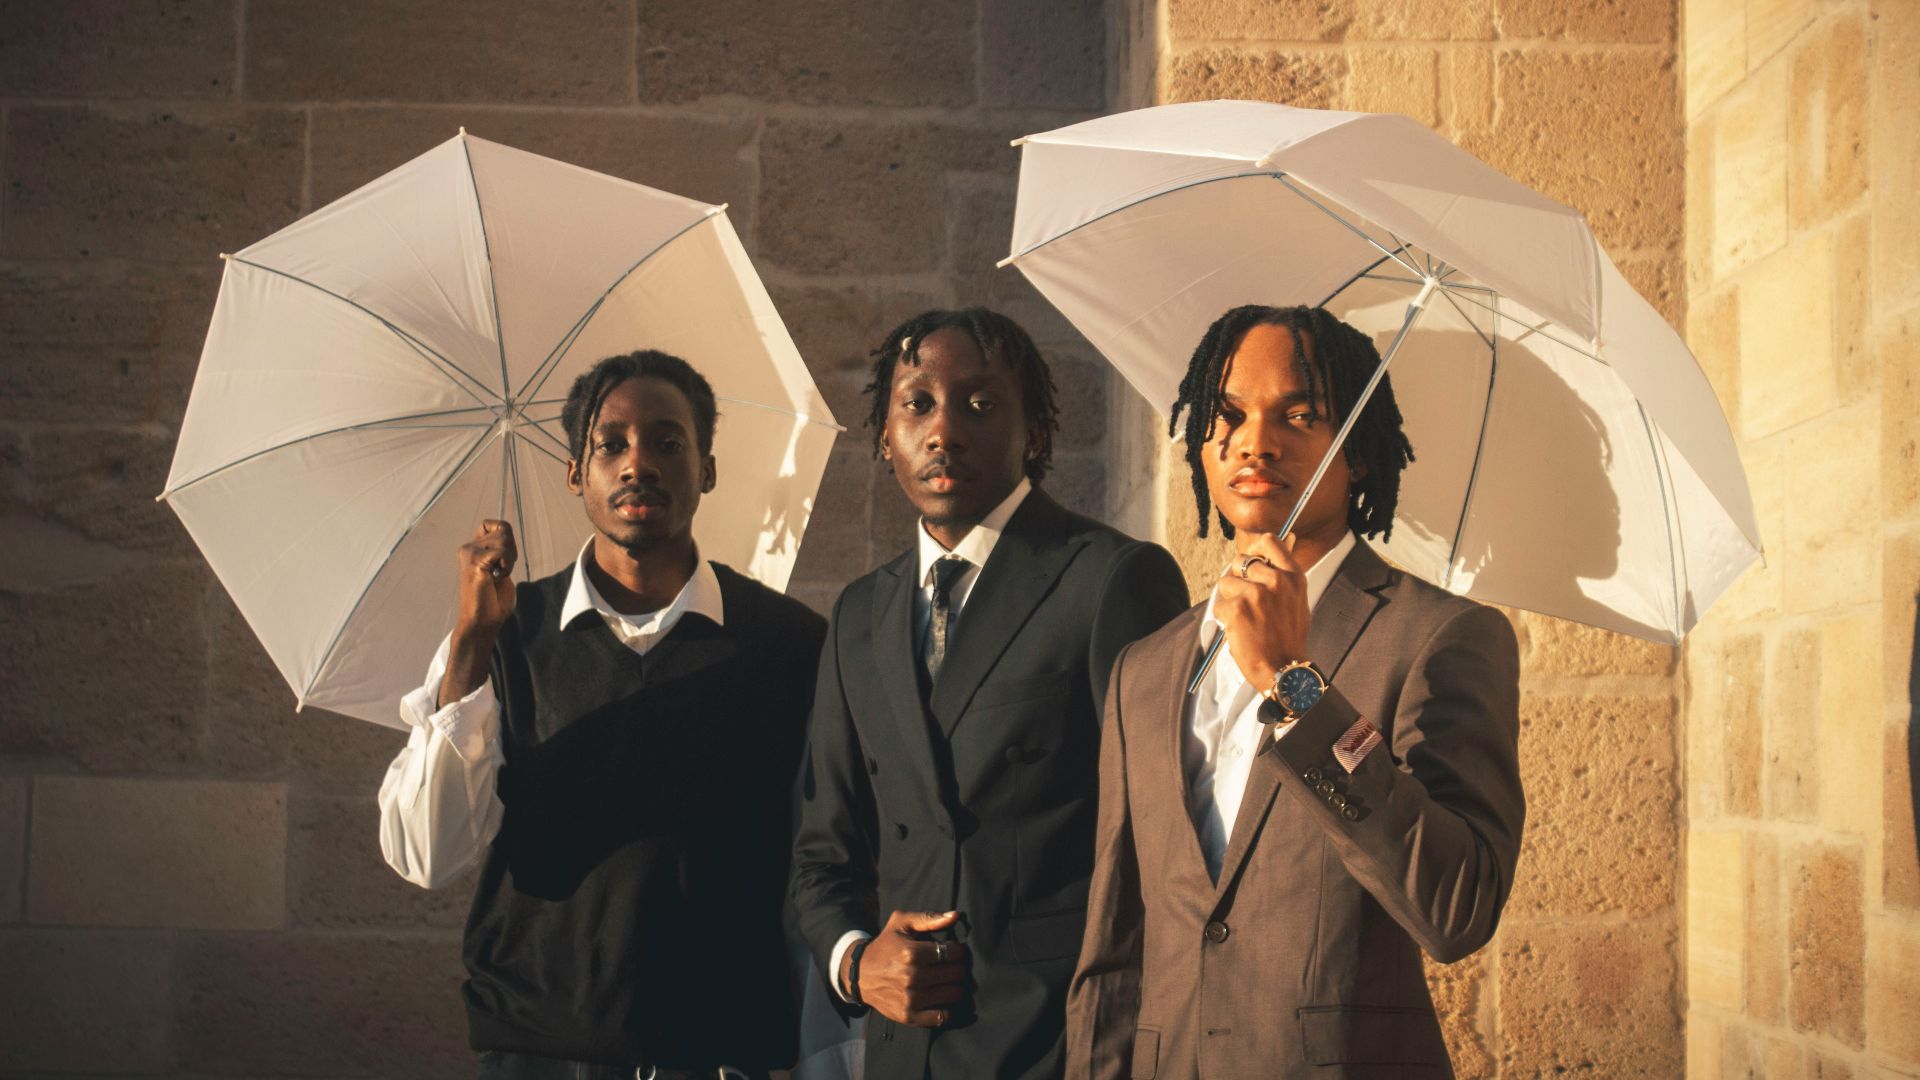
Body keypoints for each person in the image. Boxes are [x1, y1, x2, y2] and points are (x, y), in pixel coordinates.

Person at [1066, 306, 1526, 1079]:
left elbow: (1457, 907)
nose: (1255, 440)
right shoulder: (1141, 670)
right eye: (1229, 415)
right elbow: (1113, 952)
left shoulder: (1441, 637)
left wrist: (1295, 685)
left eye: (1299, 413)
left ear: (1360, 456)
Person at [377, 350, 826, 1080]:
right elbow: (426, 855)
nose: (637, 464)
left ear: (707, 468)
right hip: (539, 1054)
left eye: (667, 443)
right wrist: (470, 646)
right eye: (610, 443)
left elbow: (821, 860)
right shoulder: (504, 635)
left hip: (719, 1055)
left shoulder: (790, 644)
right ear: (575, 473)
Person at [789, 308, 1190, 1080]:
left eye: (979, 404)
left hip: (1060, 1043)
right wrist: (855, 960)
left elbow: (1161, 839)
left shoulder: (1112, 580)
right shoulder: (860, 615)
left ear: (1034, 431)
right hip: (905, 1049)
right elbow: (822, 850)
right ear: (884, 436)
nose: (944, 431)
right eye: (917, 405)